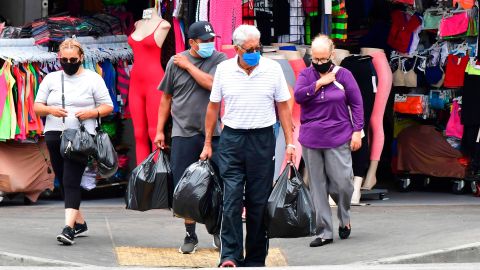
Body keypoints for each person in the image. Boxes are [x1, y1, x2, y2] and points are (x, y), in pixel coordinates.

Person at [200, 25, 295, 267]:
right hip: (232, 139)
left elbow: (283, 106)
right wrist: (208, 142)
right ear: (237, 49)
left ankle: (254, 259)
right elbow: (213, 107)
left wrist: (290, 142)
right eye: (249, 49)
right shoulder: (223, 69)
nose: (255, 52)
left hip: (262, 140)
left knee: (258, 202)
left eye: (257, 48)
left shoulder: (272, 69)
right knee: (231, 199)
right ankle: (230, 256)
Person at [154, 21, 227, 254]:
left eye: (211, 39)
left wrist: (189, 66)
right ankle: (190, 235)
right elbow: (166, 98)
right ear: (192, 42)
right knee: (185, 188)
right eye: (204, 41)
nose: (209, 44)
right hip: (183, 132)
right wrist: (159, 130)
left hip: (213, 133)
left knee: (217, 184)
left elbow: (214, 85)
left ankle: (217, 230)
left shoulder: (220, 60)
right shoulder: (175, 62)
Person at [34, 38, 114, 245]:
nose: (69, 62)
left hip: (81, 137)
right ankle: (80, 223)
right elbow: (37, 106)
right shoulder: (51, 78)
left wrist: (91, 112)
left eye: (73, 59)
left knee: (70, 180)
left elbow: (108, 106)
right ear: (59, 58)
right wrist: (50, 110)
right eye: (64, 59)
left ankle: (68, 229)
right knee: (62, 179)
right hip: (54, 134)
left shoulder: (93, 79)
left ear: (81, 58)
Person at [293, 35, 364, 247]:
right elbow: (298, 96)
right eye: (315, 59)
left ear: (332, 55)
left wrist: (357, 131)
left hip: (339, 135)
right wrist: (319, 83)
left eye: (323, 59)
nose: (319, 63)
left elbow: (357, 104)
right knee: (317, 187)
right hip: (311, 138)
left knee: (342, 183)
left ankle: (344, 218)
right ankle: (324, 231)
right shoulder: (306, 75)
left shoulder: (344, 75)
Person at [128, 7, 170, 165]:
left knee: (155, 132)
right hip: (136, 84)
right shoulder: (137, 23)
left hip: (154, 82)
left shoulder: (164, 25)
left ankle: (157, 178)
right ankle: (141, 180)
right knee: (138, 133)